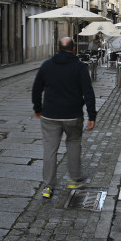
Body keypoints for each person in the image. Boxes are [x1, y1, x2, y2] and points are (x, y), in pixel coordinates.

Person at [32, 37, 96, 199]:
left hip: (50, 115)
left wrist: (38, 109)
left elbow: (36, 89)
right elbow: (88, 92)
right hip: (73, 115)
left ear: (58, 48)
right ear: (73, 49)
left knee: (50, 150)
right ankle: (75, 179)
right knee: (74, 144)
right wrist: (92, 115)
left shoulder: (47, 66)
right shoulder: (80, 67)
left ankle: (48, 186)